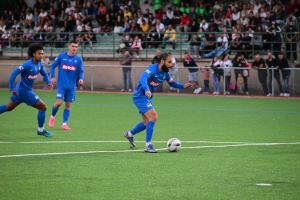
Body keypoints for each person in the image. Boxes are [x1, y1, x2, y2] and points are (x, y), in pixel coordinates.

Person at [123, 53, 194, 153]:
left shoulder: (165, 73)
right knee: (154, 117)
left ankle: (129, 134)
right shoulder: (152, 69)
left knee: (146, 123)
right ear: (162, 61)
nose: (171, 64)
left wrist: (183, 86)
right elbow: (143, 77)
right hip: (140, 96)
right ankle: (148, 145)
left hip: (148, 97)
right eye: (169, 62)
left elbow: (171, 82)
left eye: (172, 62)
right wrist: (147, 89)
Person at [0, 43, 54, 137]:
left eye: (42, 54)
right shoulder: (27, 65)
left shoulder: (39, 64)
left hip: (21, 90)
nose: (41, 56)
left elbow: (44, 73)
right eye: (39, 54)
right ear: (33, 54)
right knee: (43, 107)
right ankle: (41, 130)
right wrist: (11, 88)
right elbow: (14, 73)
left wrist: (49, 81)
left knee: (8, 107)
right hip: (24, 91)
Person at [48, 40, 84, 130]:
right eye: (73, 46)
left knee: (68, 104)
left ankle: (64, 124)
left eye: (76, 47)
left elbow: (81, 71)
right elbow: (52, 66)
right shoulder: (61, 56)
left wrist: (81, 78)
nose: (74, 48)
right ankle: (52, 116)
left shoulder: (78, 59)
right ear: (69, 46)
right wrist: (52, 77)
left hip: (71, 86)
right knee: (59, 103)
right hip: (62, 85)